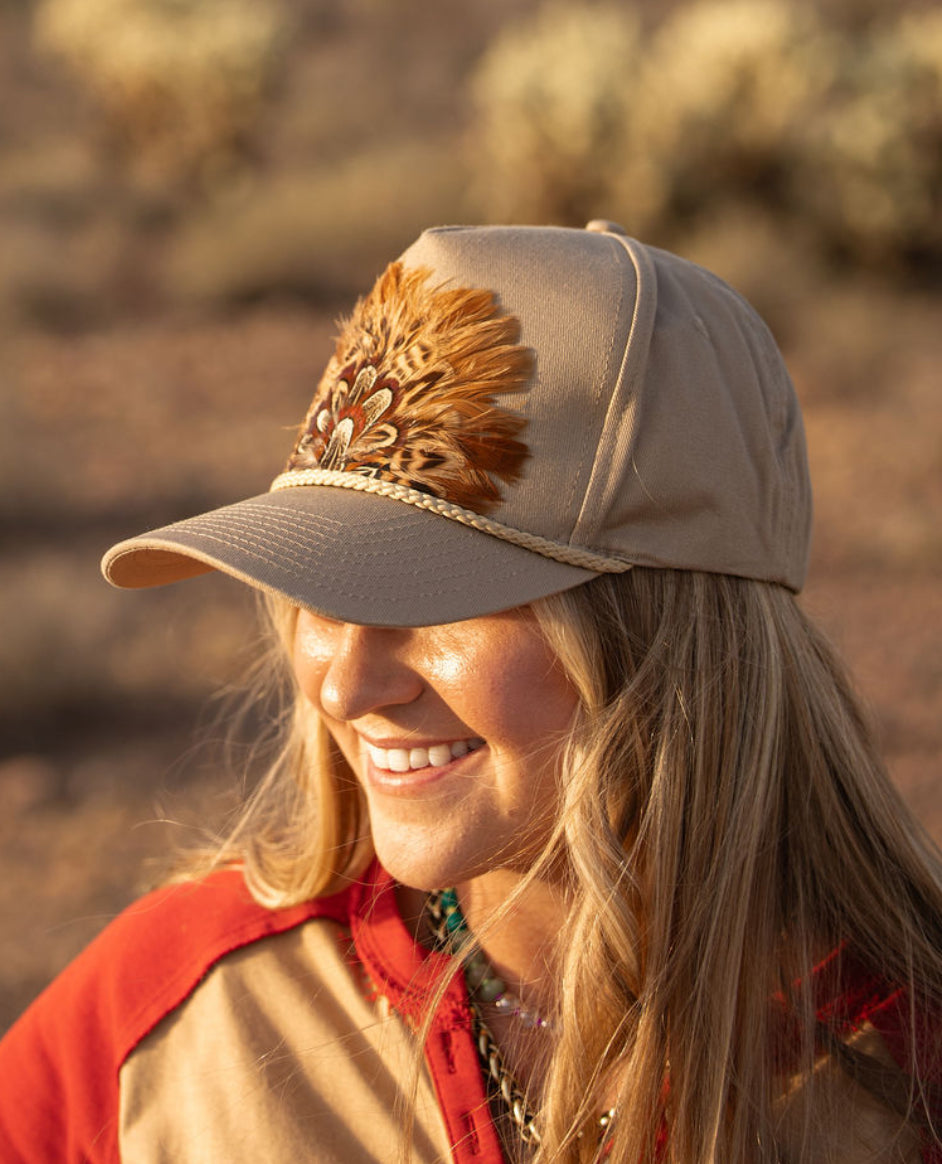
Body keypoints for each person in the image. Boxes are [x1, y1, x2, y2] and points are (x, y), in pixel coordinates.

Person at [0, 220, 939, 1164]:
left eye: (437, 598)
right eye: (319, 593)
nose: (344, 683)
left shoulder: (905, 1077)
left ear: (667, 639)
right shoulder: (179, 1019)